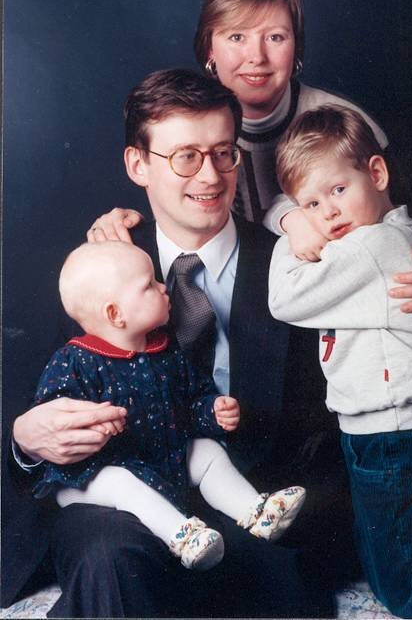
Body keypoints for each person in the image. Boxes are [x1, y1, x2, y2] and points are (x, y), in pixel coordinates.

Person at [9, 69, 333, 618]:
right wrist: (27, 440)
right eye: (186, 157)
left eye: (224, 153)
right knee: (109, 560)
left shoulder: (291, 264)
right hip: (120, 503)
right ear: (138, 165)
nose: (210, 175)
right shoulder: (96, 267)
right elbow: (38, 408)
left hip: (242, 489)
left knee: (279, 577)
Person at [91, 0, 412, 324]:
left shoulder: (342, 123)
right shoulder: (184, 123)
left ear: (296, 48)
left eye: (275, 37)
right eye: (237, 37)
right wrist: (118, 225)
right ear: (209, 49)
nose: (256, 57)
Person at [268, 104, 412, 619]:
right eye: (312, 204)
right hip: (378, 428)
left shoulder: (374, 244)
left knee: (409, 591)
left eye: (338, 190)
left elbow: (283, 299)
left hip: (397, 433)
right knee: (389, 560)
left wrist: (291, 232)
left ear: (377, 174)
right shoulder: (369, 236)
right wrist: (291, 217)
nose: (328, 213)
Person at [34, 240, 305, 571]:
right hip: (89, 477)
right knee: (120, 481)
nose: (163, 287)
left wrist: (212, 410)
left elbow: (191, 403)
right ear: (115, 314)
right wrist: (90, 425)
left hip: (158, 458)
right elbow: (53, 417)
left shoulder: (164, 352)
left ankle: (256, 512)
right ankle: (184, 538)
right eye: (149, 285)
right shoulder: (75, 361)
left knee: (207, 452)